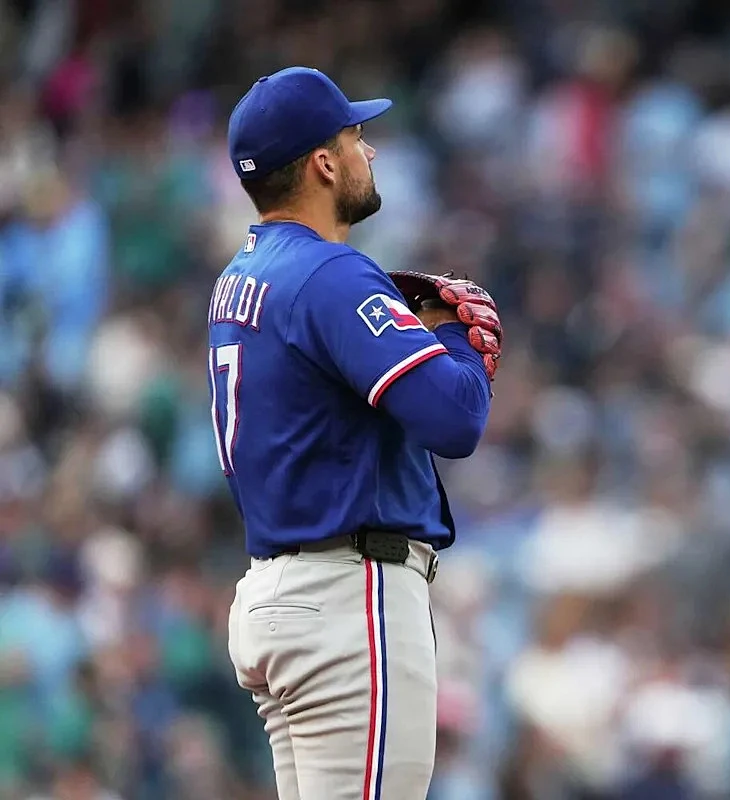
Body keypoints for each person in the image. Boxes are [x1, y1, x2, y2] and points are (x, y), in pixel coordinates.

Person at [210, 66, 501, 800]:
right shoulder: (332, 274)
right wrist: (459, 339)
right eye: (355, 137)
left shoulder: (241, 275)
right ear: (323, 163)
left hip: (280, 591)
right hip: (348, 600)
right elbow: (456, 418)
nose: (368, 151)